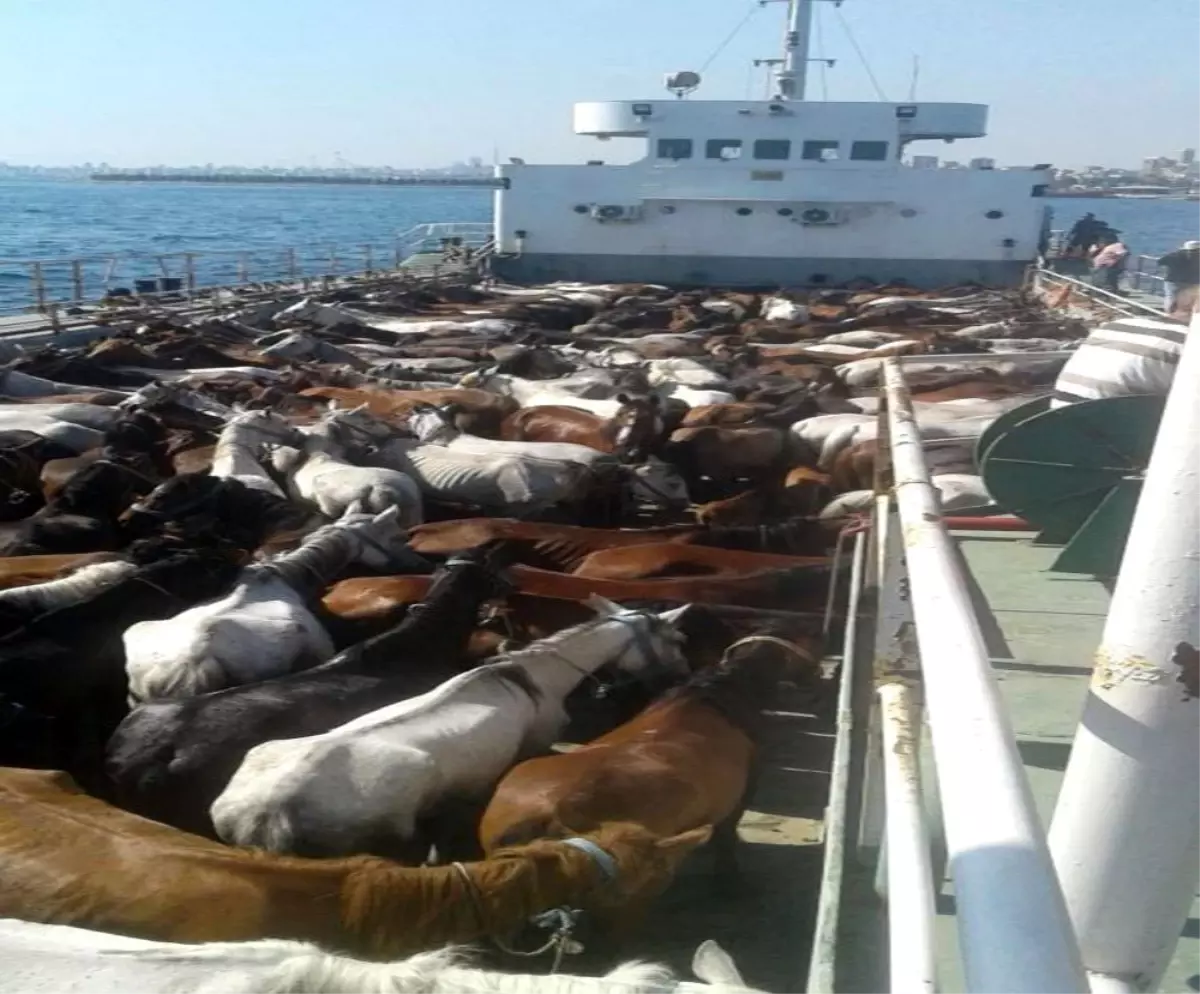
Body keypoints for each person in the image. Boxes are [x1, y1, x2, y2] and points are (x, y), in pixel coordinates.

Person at [1157, 240, 1200, 317]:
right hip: (1193, 282)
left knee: (1171, 297)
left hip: (1173, 280)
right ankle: (1190, 317)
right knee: (1192, 300)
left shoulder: (1175, 255)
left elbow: (1160, 261)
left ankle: (1169, 314)